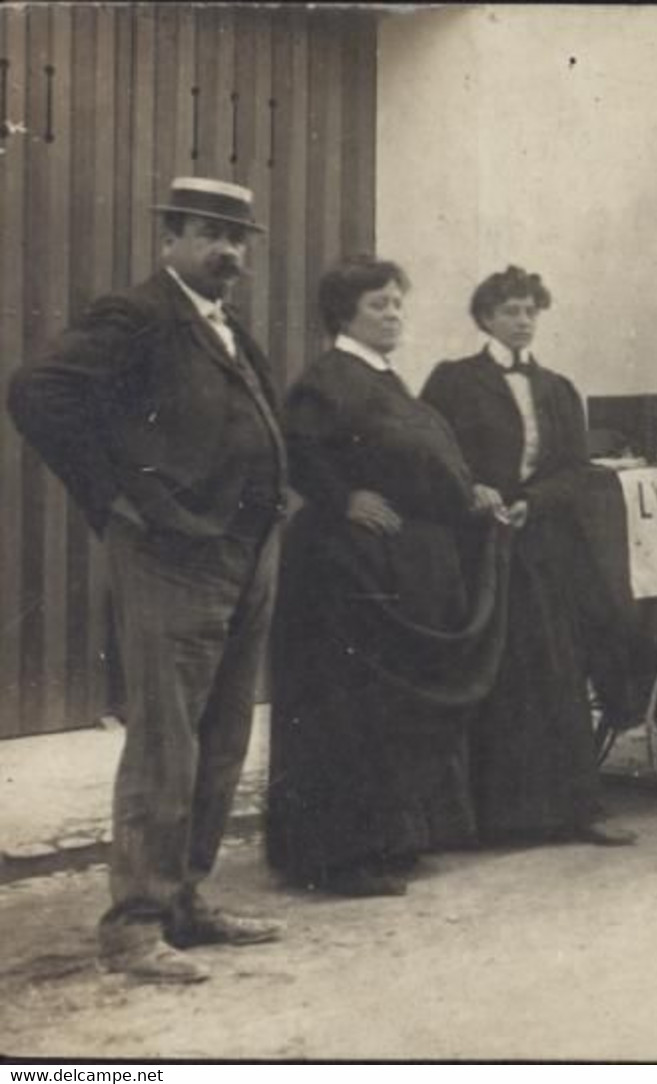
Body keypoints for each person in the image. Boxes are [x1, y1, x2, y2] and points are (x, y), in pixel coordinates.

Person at [7, 177, 286, 984]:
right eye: (209, 234)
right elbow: (38, 391)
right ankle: (134, 927)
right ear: (169, 239)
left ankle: (185, 901)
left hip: (247, 549)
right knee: (167, 742)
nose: (228, 253)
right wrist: (118, 500)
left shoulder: (223, 325)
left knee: (223, 738)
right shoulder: (137, 316)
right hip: (176, 557)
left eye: (238, 239)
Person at [266, 256, 510, 897]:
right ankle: (336, 856)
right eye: (380, 305)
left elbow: (422, 457)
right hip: (345, 572)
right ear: (345, 314)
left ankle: (387, 840)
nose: (394, 313)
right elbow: (295, 447)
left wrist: (470, 491)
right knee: (346, 712)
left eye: (398, 302)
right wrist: (341, 498)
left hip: (395, 567)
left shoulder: (386, 380)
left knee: (389, 713)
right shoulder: (328, 380)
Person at [419, 266, 636, 846]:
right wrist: (472, 490)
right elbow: (432, 451)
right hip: (477, 544)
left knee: (556, 670)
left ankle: (572, 809)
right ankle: (486, 819)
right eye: (510, 310)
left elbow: (575, 471)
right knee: (494, 670)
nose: (522, 321)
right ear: (485, 317)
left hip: (541, 545)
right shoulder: (453, 381)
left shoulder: (558, 389)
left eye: (530, 311)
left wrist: (532, 502)